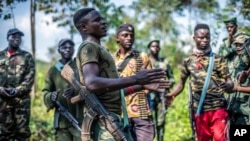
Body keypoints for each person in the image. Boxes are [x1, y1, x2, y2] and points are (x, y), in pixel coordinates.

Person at [73, 8, 170, 141]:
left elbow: (112, 90)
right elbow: (92, 83)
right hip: (104, 121)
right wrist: (135, 78)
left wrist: (140, 85)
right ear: (83, 27)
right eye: (97, 20)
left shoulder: (100, 50)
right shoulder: (89, 48)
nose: (103, 22)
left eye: (102, 19)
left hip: (113, 118)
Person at [166, 24, 234, 141]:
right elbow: (181, 83)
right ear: (194, 38)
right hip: (199, 110)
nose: (205, 40)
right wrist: (172, 94)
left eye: (207, 37)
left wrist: (228, 85)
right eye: (201, 37)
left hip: (218, 108)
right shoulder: (188, 61)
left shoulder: (218, 59)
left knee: (221, 138)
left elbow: (229, 80)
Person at [113, 23, 156, 141]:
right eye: (125, 35)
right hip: (119, 115)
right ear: (117, 38)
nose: (129, 38)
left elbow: (152, 82)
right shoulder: (111, 60)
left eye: (131, 35)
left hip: (141, 114)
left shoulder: (142, 57)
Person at [42, 39, 84, 141]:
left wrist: (76, 91)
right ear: (59, 50)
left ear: (74, 50)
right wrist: (50, 96)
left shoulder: (79, 67)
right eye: (64, 48)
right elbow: (45, 91)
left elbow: (88, 87)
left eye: (70, 48)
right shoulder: (53, 70)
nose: (67, 50)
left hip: (80, 118)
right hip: (62, 121)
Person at [0, 28, 35, 141]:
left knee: (23, 134)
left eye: (19, 37)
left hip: (21, 102)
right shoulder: (0, 56)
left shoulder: (27, 56)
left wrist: (18, 90)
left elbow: (30, 77)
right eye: (13, 36)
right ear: (7, 38)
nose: (17, 39)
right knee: (5, 134)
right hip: (3, 102)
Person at [218, 17, 250, 125]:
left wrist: (232, 46)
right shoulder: (225, 42)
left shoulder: (245, 38)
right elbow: (220, 56)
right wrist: (230, 43)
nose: (229, 29)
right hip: (231, 94)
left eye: (231, 27)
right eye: (227, 27)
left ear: (236, 26)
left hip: (243, 95)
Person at [147, 40, 175, 141]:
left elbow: (172, 78)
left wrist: (167, 84)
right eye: (153, 46)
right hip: (148, 97)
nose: (155, 48)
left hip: (161, 98)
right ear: (149, 48)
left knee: (160, 123)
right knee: (147, 123)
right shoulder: (145, 61)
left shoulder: (165, 62)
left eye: (157, 46)